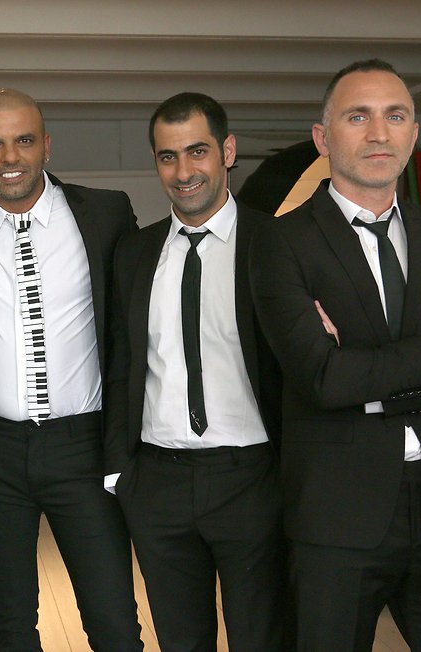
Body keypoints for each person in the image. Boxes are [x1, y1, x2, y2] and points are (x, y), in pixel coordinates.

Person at [0, 88, 143, 652]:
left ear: (46, 145)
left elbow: (139, 315)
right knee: (11, 629)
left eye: (24, 140)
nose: (10, 157)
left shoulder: (106, 213)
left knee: (114, 623)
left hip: (84, 449)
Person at [249, 59, 421, 651]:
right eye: (358, 117)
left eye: (396, 116)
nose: (379, 133)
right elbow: (322, 380)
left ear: (414, 134)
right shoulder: (280, 243)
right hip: (336, 515)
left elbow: (345, 380)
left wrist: (363, 381)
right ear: (323, 138)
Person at [105, 92, 285, 651]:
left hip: (253, 480)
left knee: (262, 639)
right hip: (157, 484)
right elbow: (122, 363)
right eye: (168, 156)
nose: (184, 172)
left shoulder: (277, 243)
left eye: (198, 151)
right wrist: (121, 473)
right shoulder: (134, 253)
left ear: (227, 151)